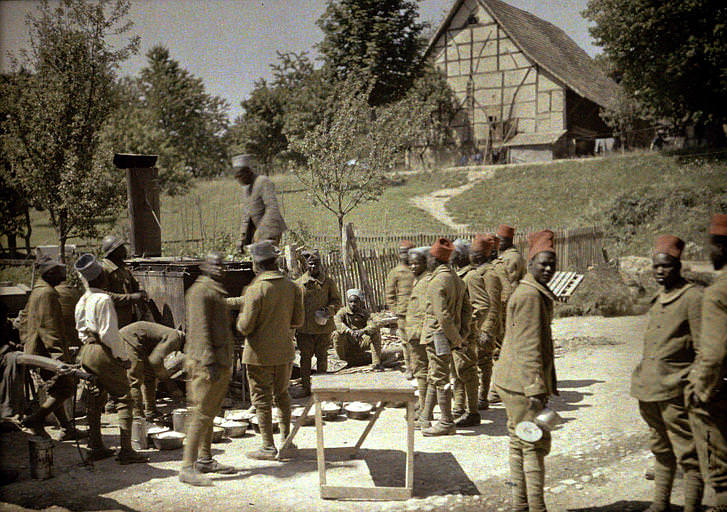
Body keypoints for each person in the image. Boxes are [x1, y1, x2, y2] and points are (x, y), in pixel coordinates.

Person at [630, 235, 703, 512]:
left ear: (679, 266)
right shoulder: (658, 298)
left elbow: (703, 348)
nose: (660, 271)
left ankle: (691, 506)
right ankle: (660, 503)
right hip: (648, 389)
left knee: (688, 452)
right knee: (660, 449)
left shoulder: (693, 297)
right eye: (656, 266)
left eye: (667, 266)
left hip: (676, 389)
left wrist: (693, 386)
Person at [492, 230, 558, 512]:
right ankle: (536, 508)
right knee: (533, 443)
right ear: (530, 261)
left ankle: (521, 504)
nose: (547, 268)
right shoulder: (531, 296)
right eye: (542, 262)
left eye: (552, 264)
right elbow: (529, 347)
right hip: (522, 384)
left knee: (519, 441)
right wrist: (535, 389)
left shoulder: (528, 290)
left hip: (510, 379)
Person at [74, 253, 148, 464]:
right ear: (101, 278)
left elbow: (80, 329)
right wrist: (122, 357)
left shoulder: (83, 299)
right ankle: (126, 451)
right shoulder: (103, 299)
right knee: (124, 398)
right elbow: (109, 334)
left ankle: (95, 446)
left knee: (95, 399)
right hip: (102, 351)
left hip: (87, 350)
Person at [237, 241, 304, 461]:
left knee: (262, 400)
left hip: (258, 355)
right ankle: (287, 441)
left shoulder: (255, 289)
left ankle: (268, 447)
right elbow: (298, 321)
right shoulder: (293, 286)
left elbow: (245, 326)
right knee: (283, 394)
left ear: (257, 264)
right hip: (284, 352)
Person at [179, 252, 236, 486]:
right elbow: (201, 330)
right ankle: (186, 467)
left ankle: (204, 459)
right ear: (204, 267)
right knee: (201, 414)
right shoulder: (200, 291)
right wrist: (210, 362)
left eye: (222, 264)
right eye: (215, 264)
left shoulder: (212, 289)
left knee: (210, 412)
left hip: (217, 361)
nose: (220, 268)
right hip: (206, 363)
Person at [687, 214, 727, 512]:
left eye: (712, 246)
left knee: (721, 471)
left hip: (721, 392)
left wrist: (700, 389)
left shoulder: (717, 294)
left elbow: (713, 354)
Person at [20, 256, 82, 440]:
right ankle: (36, 419)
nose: (63, 275)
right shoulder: (47, 294)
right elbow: (49, 328)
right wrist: (59, 358)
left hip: (37, 350)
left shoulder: (38, 291)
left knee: (57, 389)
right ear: (51, 273)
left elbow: (24, 320)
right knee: (65, 388)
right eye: (60, 272)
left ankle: (65, 428)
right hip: (45, 352)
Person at [419, 238, 471, 437]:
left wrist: (457, 340)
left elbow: (443, 316)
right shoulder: (456, 278)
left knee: (439, 378)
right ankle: (426, 417)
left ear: (434, 259)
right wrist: (462, 334)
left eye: (428, 259)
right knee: (435, 373)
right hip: (448, 335)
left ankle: (446, 421)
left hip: (438, 336)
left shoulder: (437, 281)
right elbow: (467, 309)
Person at [454, 234, 496, 426]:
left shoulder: (471, 276)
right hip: (460, 333)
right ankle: (459, 408)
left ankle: (472, 409)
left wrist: (470, 323)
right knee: (458, 371)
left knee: (467, 369)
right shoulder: (460, 275)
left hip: (467, 333)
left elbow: (482, 304)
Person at [293, 250, 341, 398]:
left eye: (316, 263)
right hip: (305, 329)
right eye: (310, 263)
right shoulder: (298, 284)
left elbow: (337, 301)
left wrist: (329, 310)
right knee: (305, 359)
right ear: (306, 265)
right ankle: (306, 387)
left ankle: (322, 389)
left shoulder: (328, 282)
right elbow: (293, 305)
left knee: (322, 358)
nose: (313, 266)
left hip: (323, 327)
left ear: (320, 265)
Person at [119, 321, 184, 421]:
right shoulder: (175, 338)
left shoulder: (176, 337)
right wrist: (171, 386)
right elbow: (155, 361)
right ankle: (138, 416)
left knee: (150, 377)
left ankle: (151, 411)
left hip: (143, 343)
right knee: (135, 378)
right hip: (131, 338)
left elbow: (156, 361)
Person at [234, 154, 287, 251]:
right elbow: (247, 215)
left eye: (240, 176)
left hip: (271, 229)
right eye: (236, 177)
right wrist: (242, 238)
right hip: (258, 232)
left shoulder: (263, 182)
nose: (239, 180)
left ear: (247, 172)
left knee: (266, 259)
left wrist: (262, 232)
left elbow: (272, 208)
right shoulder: (247, 189)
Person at [404, 247, 432, 427]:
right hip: (415, 332)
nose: (413, 267)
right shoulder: (419, 280)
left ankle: (425, 411)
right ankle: (423, 405)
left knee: (422, 372)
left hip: (419, 334)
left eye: (417, 263)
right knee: (421, 371)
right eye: (411, 264)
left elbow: (424, 311)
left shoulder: (425, 282)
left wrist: (418, 333)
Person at [100, 235, 148, 329]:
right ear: (113, 252)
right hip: (115, 320)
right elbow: (104, 296)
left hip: (130, 316)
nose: (125, 250)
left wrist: (141, 291)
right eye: (121, 248)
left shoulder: (123, 266)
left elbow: (135, 283)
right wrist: (131, 298)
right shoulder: (104, 269)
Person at [384, 240, 415, 378]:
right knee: (406, 342)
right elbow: (390, 295)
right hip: (403, 313)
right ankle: (409, 368)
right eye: (402, 252)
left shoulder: (418, 270)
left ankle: (420, 368)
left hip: (419, 312)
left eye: (408, 252)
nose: (405, 255)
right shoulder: (395, 272)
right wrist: (396, 310)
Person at [480, 235, 504, 408]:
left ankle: (493, 391)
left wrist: (488, 327)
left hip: (494, 320)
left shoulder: (492, 273)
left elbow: (495, 302)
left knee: (494, 356)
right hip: (492, 319)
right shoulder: (484, 271)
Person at [333, 289, 383, 368]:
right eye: (351, 302)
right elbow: (337, 323)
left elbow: (374, 323)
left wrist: (363, 331)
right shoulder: (342, 312)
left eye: (356, 302)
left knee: (375, 334)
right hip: (347, 342)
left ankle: (376, 363)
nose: (353, 304)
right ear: (347, 302)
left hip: (360, 341)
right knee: (337, 335)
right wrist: (348, 330)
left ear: (360, 302)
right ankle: (341, 363)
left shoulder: (364, 313)